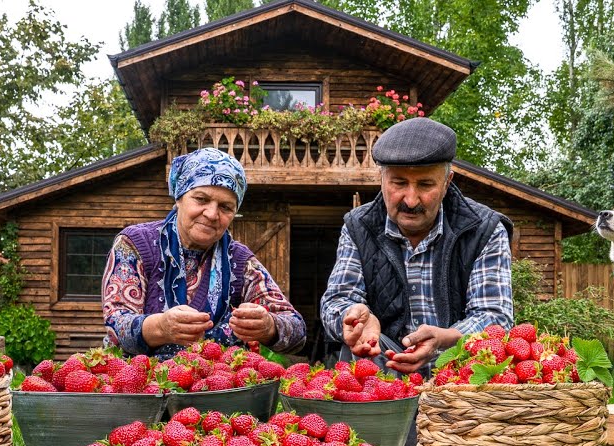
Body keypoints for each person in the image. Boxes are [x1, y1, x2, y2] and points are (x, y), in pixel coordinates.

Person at [320, 117, 514, 376]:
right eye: (399, 183)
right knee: (356, 349)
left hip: (460, 368)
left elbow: (495, 317)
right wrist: (354, 316)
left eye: (425, 184)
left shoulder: (484, 229)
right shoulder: (358, 226)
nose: (411, 200)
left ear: (447, 182)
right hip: (385, 365)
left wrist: (445, 339)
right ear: (381, 179)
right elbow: (336, 300)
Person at [102, 148, 306, 358]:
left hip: (219, 378)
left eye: (225, 207)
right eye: (201, 199)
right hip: (141, 376)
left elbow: (297, 331)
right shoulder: (136, 244)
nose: (211, 214)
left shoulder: (240, 260)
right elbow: (116, 324)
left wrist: (269, 327)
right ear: (179, 198)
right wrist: (161, 327)